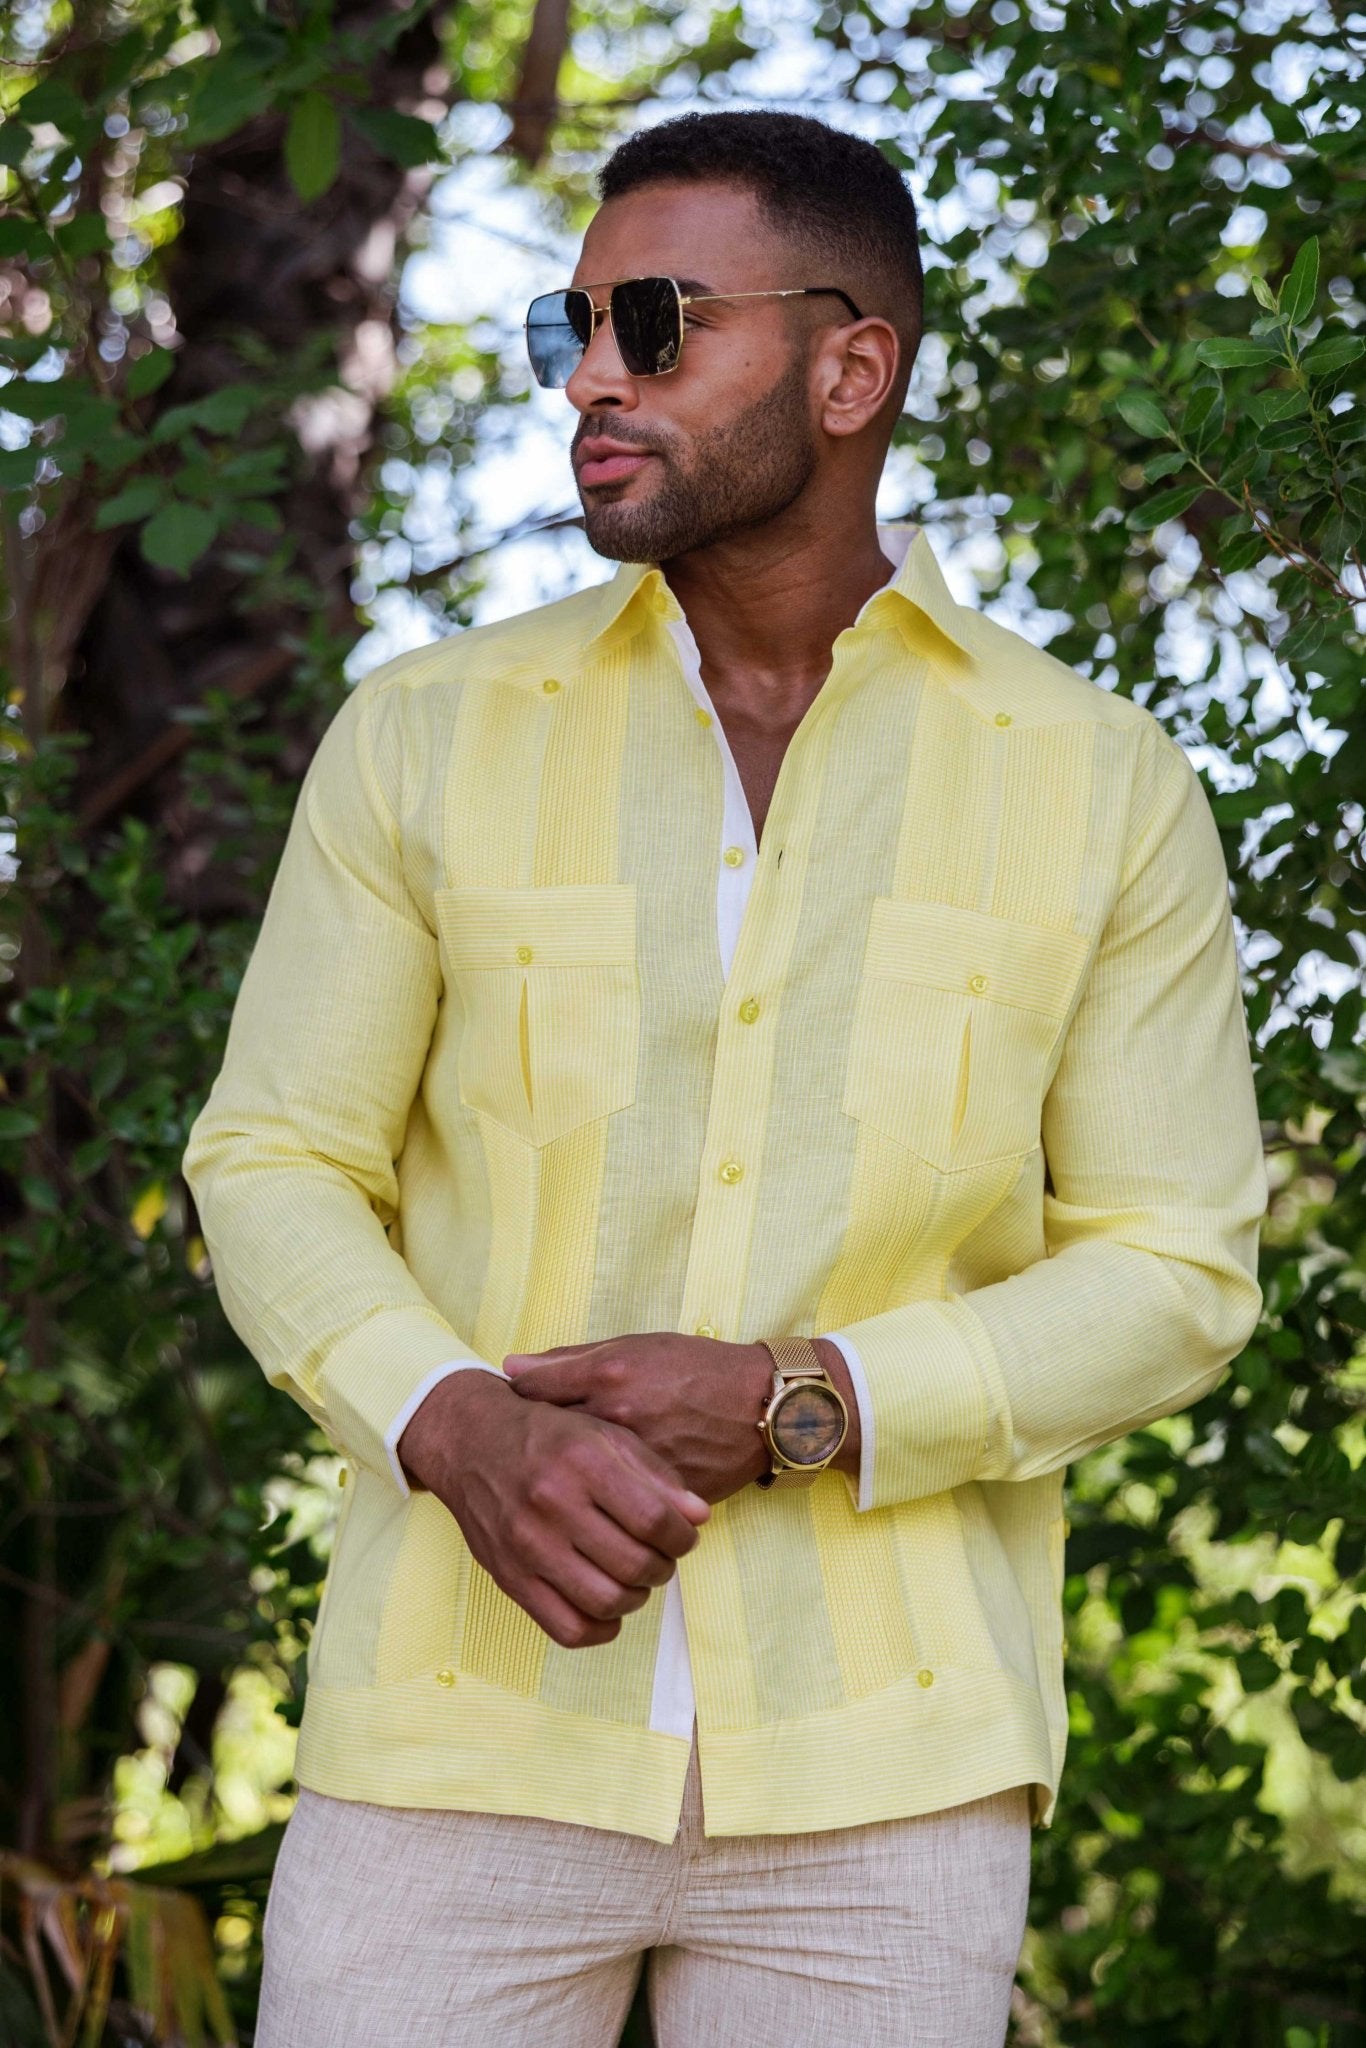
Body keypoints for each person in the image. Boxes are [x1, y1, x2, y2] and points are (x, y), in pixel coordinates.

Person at [182, 108, 1268, 2048]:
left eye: (657, 324)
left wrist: (808, 1400)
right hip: (453, 1737)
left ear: (853, 368)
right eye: (570, 327)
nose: (593, 377)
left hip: (885, 1781)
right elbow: (270, 1156)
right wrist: (449, 1420)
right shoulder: (423, 737)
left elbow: (1175, 1262)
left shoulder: (1096, 781)